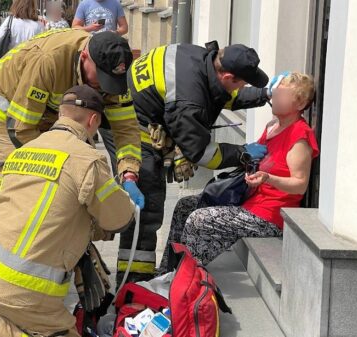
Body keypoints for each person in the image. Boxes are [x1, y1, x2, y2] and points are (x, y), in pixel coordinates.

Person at [0, 85, 135, 337]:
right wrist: (128, 195)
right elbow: (119, 219)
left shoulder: (25, 149)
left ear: (61, 114)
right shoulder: (87, 160)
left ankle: (1, 326)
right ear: (93, 120)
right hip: (23, 286)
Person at [104, 41, 271, 284]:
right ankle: (133, 284)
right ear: (227, 75)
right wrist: (242, 153)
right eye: (243, 82)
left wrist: (264, 95)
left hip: (138, 110)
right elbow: (201, 153)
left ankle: (136, 280)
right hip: (131, 128)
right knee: (147, 207)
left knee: (147, 204)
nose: (243, 87)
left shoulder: (200, 59)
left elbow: (220, 95)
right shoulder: (189, 100)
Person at [160, 72, 319, 269]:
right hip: (248, 201)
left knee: (198, 219)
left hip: (269, 215)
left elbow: (300, 185)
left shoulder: (299, 136)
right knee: (185, 206)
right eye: (276, 92)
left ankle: (188, 280)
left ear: (300, 104)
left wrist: (267, 178)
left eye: (282, 95)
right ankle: (167, 271)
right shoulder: (272, 127)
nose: (274, 97)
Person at [0, 29, 144, 209]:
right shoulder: (50, 60)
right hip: (4, 105)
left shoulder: (113, 75)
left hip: (47, 110)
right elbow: (22, 129)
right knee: (18, 183)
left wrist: (129, 174)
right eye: (101, 79)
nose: (104, 87)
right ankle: (10, 222)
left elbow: (126, 128)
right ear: (85, 57)